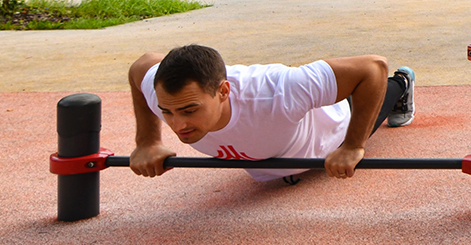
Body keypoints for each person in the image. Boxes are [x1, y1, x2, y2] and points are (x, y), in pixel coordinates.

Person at [126, 44, 417, 182]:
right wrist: (148, 140)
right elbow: (142, 64)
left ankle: (402, 84)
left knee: (378, 92)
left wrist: (353, 145)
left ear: (224, 91)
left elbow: (372, 67)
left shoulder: (279, 91)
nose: (178, 124)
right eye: (168, 112)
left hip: (328, 132)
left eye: (190, 110)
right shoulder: (159, 92)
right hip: (273, 142)